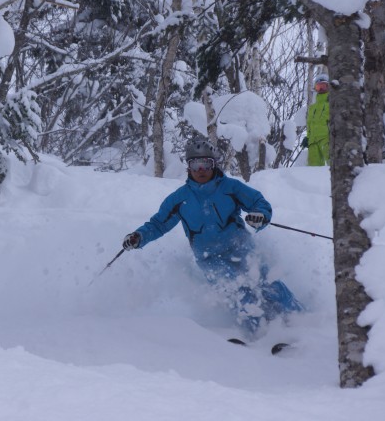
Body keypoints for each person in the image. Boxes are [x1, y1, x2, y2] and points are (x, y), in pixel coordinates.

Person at [122, 138, 302, 339]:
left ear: (214, 164)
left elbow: (259, 203)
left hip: (240, 247)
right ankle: (257, 335)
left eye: (206, 163)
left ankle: (299, 322)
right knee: (237, 289)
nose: (201, 169)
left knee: (265, 280)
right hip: (209, 259)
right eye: (195, 164)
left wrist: (259, 216)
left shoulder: (230, 188)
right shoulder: (179, 199)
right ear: (188, 167)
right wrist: (139, 237)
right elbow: (158, 224)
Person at [302, 73, 330, 166]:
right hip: (313, 141)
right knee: (313, 167)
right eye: (318, 87)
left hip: (327, 139)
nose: (321, 89)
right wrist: (308, 137)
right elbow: (310, 124)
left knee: (333, 163)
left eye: (323, 86)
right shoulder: (312, 108)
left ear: (329, 87)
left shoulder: (331, 104)